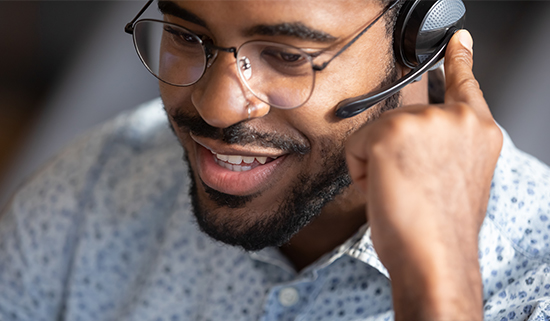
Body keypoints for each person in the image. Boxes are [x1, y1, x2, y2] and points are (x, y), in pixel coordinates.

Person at [0, 0, 549, 320]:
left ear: (423, 42)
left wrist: (439, 288)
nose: (216, 106)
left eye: (288, 56)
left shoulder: (535, 278)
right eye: (187, 36)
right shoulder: (88, 193)